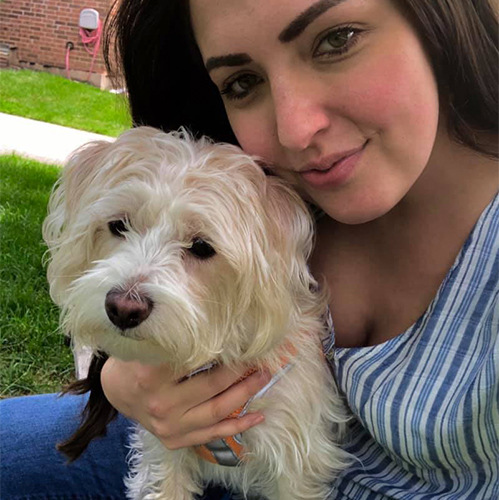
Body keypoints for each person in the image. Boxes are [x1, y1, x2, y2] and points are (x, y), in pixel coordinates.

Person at [1, 0, 497, 498]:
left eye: (337, 40)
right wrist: (122, 379)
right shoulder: (269, 188)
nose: (295, 130)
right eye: (242, 82)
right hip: (189, 448)